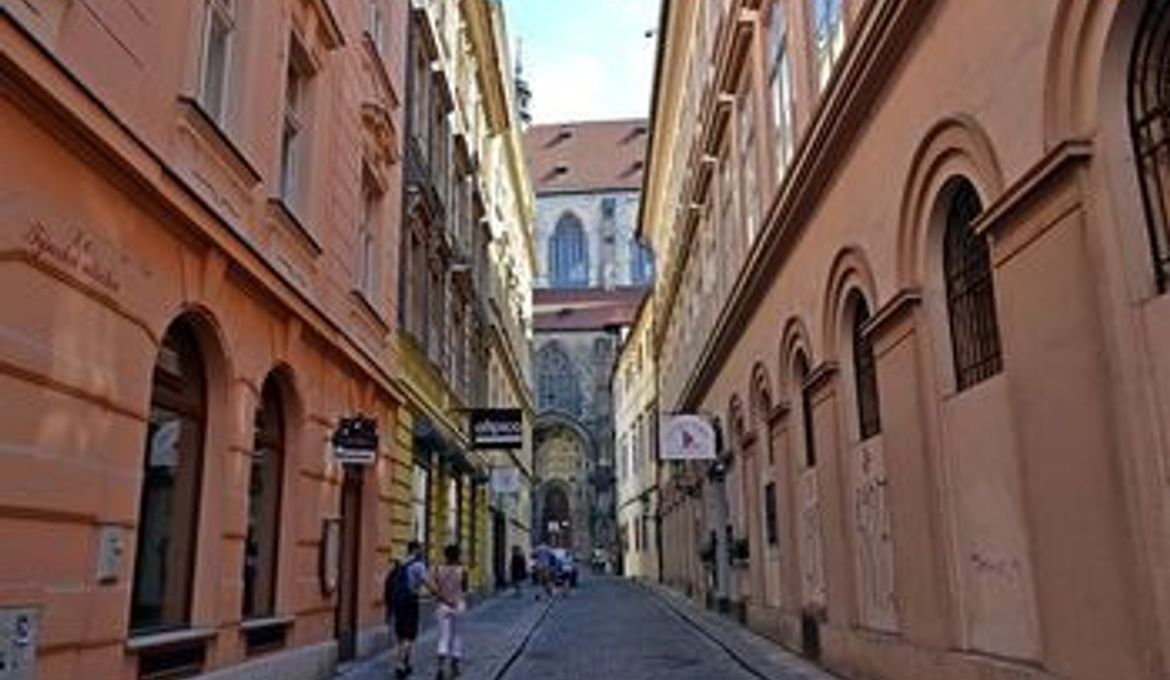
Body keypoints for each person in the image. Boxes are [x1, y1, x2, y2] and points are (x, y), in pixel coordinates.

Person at [384, 541, 438, 679]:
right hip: (410, 601)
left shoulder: (401, 562)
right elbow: (428, 583)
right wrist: (438, 593)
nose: (422, 551)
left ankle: (406, 663)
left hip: (397, 602)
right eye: (420, 549)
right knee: (409, 635)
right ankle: (400, 665)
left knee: (401, 634)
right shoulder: (418, 565)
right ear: (416, 550)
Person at [433, 544, 468, 679]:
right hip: (458, 605)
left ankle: (440, 668)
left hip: (443, 606)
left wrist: (445, 598)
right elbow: (464, 588)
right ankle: (455, 667)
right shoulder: (462, 570)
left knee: (443, 637)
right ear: (458, 555)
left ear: (445, 555)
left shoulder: (438, 569)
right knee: (457, 636)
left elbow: (437, 587)